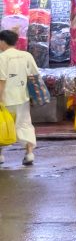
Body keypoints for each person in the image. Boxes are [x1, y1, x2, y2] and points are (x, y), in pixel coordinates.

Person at [0, 29, 40, 166]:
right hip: (23, 98)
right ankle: (29, 153)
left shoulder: (2, 57)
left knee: (3, 125)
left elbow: (2, 81)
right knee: (24, 125)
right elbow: (34, 75)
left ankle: (0, 155)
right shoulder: (26, 55)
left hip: (6, 99)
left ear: (2, 42)